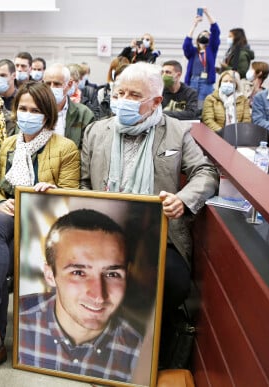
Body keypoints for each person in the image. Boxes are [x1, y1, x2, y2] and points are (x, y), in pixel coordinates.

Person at [80, 62, 219, 367]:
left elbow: (206, 172)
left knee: (172, 281)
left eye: (133, 95)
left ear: (156, 101)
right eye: (120, 92)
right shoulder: (96, 131)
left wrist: (183, 199)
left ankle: (150, 355)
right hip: (103, 229)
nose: (123, 100)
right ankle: (102, 349)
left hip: (159, 234)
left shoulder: (176, 134)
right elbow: (82, 182)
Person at [0, 81, 80, 381]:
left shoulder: (65, 148)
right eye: (22, 108)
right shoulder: (9, 145)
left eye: (35, 110)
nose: (27, 114)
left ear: (47, 115)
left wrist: (52, 192)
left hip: (46, 221)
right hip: (11, 218)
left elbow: (73, 196)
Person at [17, 209, 141, 383]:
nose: (99, 296)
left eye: (112, 274)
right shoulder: (19, 322)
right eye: (78, 272)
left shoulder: (138, 352)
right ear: (50, 275)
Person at [42, 63, 95, 149]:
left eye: (57, 84)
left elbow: (87, 150)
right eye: (48, 84)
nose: (51, 88)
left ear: (69, 84)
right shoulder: (34, 111)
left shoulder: (84, 114)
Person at [183, 7, 220, 103]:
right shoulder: (193, 52)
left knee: (203, 105)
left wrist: (207, 14)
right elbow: (186, 45)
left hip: (206, 82)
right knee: (191, 104)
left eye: (207, 35)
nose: (204, 36)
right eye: (202, 35)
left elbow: (215, 31)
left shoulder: (211, 50)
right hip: (193, 81)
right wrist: (194, 25)